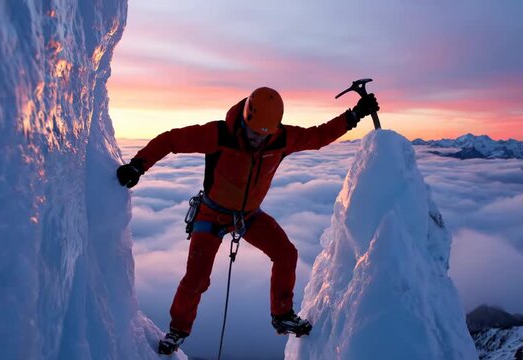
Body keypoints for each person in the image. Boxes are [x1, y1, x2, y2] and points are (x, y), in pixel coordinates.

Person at [116, 87, 379, 355]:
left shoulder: (281, 138)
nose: (257, 140)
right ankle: (177, 331)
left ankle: (282, 314)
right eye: (254, 133)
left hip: (248, 216)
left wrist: (354, 115)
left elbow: (319, 136)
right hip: (211, 214)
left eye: (264, 135)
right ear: (245, 118)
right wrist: (139, 164)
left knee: (286, 253)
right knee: (196, 279)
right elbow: (171, 140)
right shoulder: (219, 134)